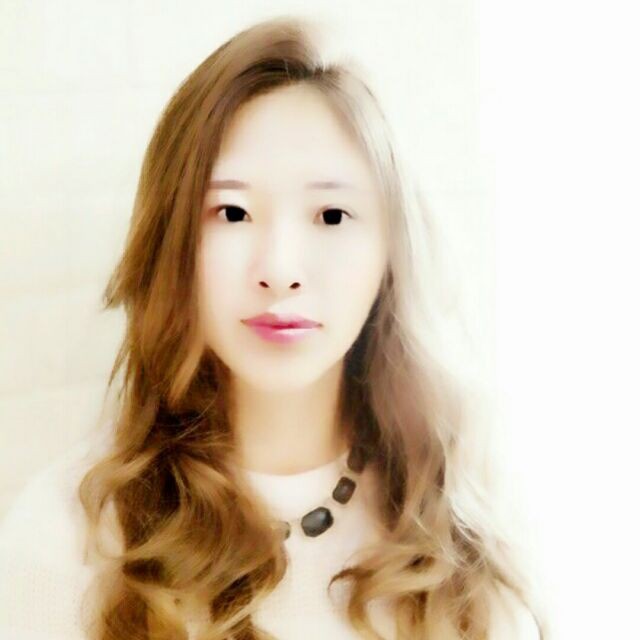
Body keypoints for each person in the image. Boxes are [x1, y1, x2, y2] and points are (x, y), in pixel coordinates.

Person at [0, 14, 547, 640]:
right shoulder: (66, 544)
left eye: (332, 215)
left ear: (391, 252)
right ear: (173, 242)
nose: (280, 270)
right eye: (232, 212)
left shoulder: (465, 529)